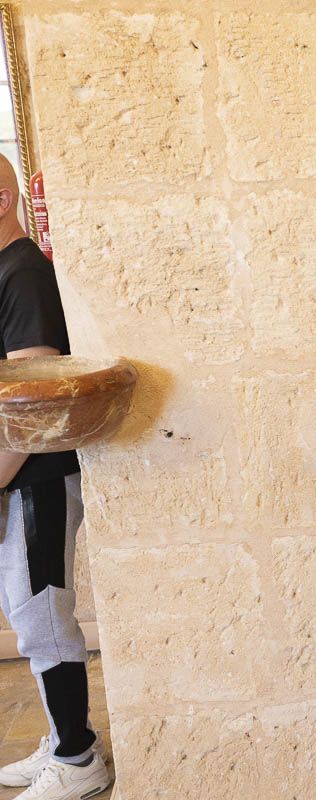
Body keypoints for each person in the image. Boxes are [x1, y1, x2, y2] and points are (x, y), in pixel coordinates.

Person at [0, 154, 110, 800]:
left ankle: (77, 759)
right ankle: (59, 739)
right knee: (26, 612)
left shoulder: (23, 276)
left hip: (35, 477)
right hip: (17, 477)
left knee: (40, 614)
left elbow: (34, 400)